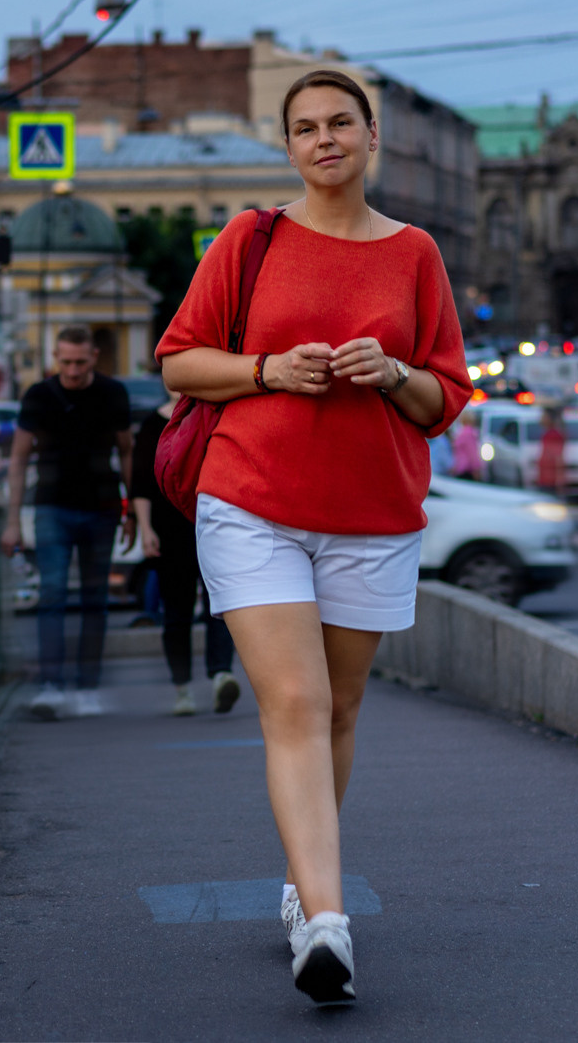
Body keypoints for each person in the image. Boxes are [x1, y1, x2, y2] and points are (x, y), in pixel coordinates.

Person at [157, 70, 469, 1005]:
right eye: (304, 128)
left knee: (338, 707)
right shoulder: (249, 240)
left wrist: (394, 370)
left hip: (371, 511)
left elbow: (443, 400)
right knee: (292, 700)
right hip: (251, 498)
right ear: (287, 147)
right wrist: (265, 369)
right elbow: (178, 358)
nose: (323, 139)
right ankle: (327, 921)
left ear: (373, 138)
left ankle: (304, 884)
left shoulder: (415, 253)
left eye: (340, 123)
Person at [2, 326, 134, 722]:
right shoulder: (39, 396)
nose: (73, 371)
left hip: (102, 506)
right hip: (52, 506)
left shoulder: (113, 394)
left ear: (94, 356)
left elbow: (127, 452)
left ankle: (88, 687)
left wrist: (131, 512)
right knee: (53, 594)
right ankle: (52, 685)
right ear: (55, 358)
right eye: (65, 362)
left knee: (96, 599)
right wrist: (12, 521)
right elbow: (18, 459)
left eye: (80, 362)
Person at [130, 381, 241, 716]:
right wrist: (145, 529)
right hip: (169, 530)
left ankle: (221, 675)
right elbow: (141, 482)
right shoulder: (152, 424)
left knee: (220, 606)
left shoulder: (215, 412)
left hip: (214, 524)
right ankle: (182, 688)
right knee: (176, 612)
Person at [535, 403, 567, 499]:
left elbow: (558, 458)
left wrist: (559, 481)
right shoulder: (547, 434)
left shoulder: (553, 436)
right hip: (544, 478)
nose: (541, 419)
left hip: (550, 480)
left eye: (544, 416)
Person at [449, 405, 482, 480]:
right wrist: (477, 469)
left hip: (461, 468)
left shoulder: (462, 432)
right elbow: (472, 454)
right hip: (466, 470)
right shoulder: (469, 433)